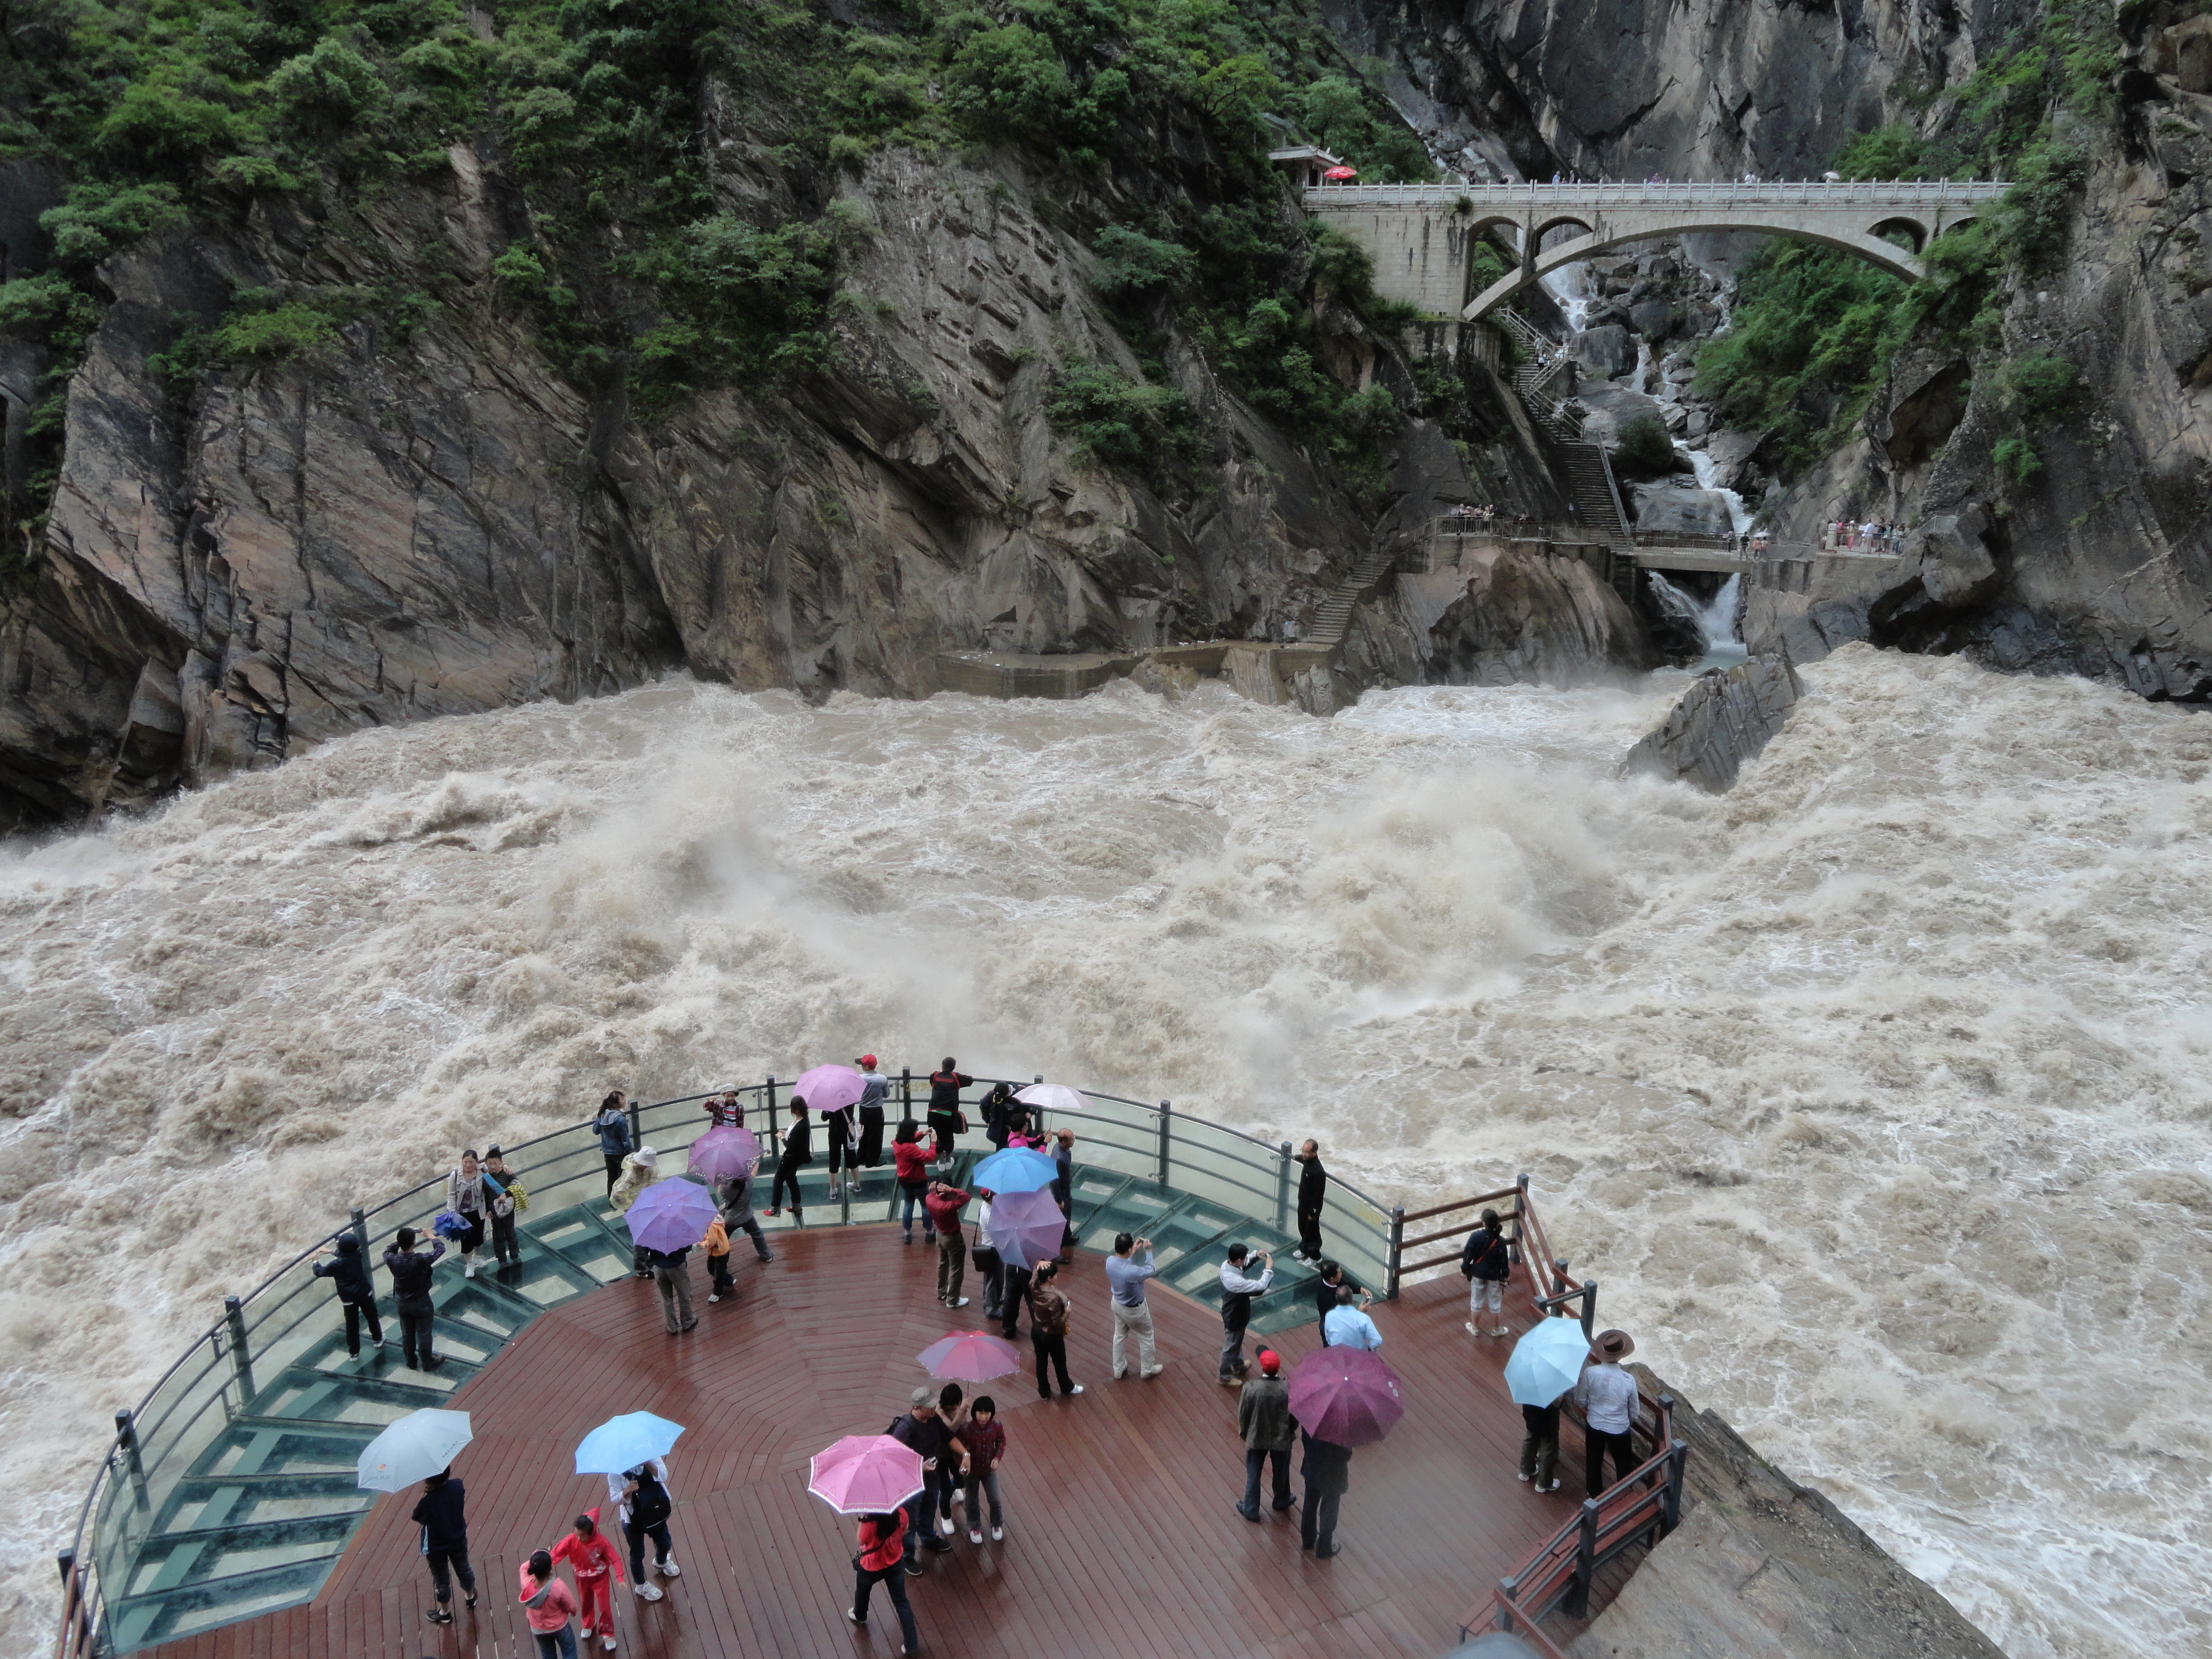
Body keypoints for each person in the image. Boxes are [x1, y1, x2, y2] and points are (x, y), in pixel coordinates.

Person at [1576, 1328, 1643, 1496]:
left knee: (1593, 1461)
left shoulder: (1591, 1373)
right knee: (1623, 1464)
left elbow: (1580, 1400)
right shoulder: (1629, 1380)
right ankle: (1623, 1495)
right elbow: (1635, 1411)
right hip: (1619, 1428)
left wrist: (1589, 1408)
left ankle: (1594, 1495)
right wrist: (1627, 1421)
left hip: (1595, 1424)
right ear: (1621, 1355)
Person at [887, 1387, 950, 1566]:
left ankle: (928, 1538)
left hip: (932, 1479)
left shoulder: (933, 1418)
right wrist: (919, 1467)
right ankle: (907, 1557)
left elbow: (947, 1435)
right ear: (917, 1407)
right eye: (929, 1406)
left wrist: (966, 1455)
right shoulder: (905, 1428)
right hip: (912, 1485)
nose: (934, 1409)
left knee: (929, 1511)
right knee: (910, 1522)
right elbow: (894, 1457)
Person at [1235, 1349, 1297, 1521]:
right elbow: (1294, 1416)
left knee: (1254, 1474)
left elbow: (1243, 1414)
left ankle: (1251, 1508)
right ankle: (1281, 1499)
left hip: (1256, 1437)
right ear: (1278, 1368)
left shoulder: (1251, 1388)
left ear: (1262, 1367)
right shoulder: (1287, 1389)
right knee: (1281, 1471)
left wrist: (1244, 1434)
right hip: (1281, 1437)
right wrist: (1291, 1431)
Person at [552, 1510, 624, 1652]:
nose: (578, 1539)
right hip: (581, 1577)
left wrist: (619, 1577)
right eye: (576, 1534)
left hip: (600, 1578)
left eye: (582, 1536)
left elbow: (615, 1558)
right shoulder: (571, 1540)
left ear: (590, 1533)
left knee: (604, 1607)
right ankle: (588, 1623)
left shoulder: (601, 1542)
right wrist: (543, 1566)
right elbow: (556, 1554)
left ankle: (608, 1634)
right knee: (585, 1602)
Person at [849, 1510, 920, 1654]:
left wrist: (862, 1519)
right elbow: (905, 1529)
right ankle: (911, 1644)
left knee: (862, 1590)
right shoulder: (901, 1514)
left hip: (872, 1566)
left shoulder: (870, 1522)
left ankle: (860, 1614)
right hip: (895, 1562)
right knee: (901, 1603)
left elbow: (861, 1540)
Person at [608, 1456, 679, 1596]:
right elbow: (615, 1498)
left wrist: (648, 1464)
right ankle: (641, 1585)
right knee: (638, 1554)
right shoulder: (614, 1473)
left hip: (655, 1511)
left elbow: (663, 1475)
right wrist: (627, 1490)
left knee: (665, 1543)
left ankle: (661, 1561)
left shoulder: (651, 1456)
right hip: (633, 1519)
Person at [412, 1466, 475, 1623]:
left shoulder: (428, 1502)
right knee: (463, 1567)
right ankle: (470, 1596)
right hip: (458, 1537)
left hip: (436, 1546)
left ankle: (445, 1612)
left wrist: (428, 1494)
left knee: (441, 1578)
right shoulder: (457, 1486)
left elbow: (418, 1516)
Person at [383, 1225, 444, 1370]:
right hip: (421, 1300)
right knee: (424, 1333)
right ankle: (427, 1361)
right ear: (414, 1243)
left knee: (407, 1333)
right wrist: (430, 1236)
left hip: (402, 1301)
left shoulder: (392, 1259)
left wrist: (402, 1239)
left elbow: (387, 1250)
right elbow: (440, 1249)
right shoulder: (421, 1259)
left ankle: (411, 1361)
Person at [310, 1233, 382, 1356]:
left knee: (352, 1325)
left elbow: (319, 1272)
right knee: (372, 1317)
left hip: (349, 1299)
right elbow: (347, 1255)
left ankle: (354, 1352)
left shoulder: (335, 1265)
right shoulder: (358, 1255)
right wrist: (332, 1251)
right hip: (365, 1292)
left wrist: (315, 1261)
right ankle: (378, 1339)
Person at [1105, 1232, 1162, 1379]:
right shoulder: (1132, 1272)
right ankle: (1147, 1370)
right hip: (1135, 1310)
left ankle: (1118, 1369)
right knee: (1146, 1336)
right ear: (1128, 1249)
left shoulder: (1110, 1261)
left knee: (1119, 1335)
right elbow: (1150, 1270)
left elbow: (1123, 1264)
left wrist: (1134, 1252)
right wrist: (1148, 1251)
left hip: (1117, 1304)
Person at [1218, 1243, 1273, 1384]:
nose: (1245, 1260)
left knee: (1237, 1341)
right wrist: (1267, 1269)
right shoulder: (1235, 1281)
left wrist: (1255, 1256)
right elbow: (1260, 1287)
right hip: (1235, 1317)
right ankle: (1224, 1376)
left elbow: (1242, 1265)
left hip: (1234, 1313)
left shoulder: (1227, 1265)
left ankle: (1238, 1364)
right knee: (1231, 1346)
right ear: (1238, 1260)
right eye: (1244, 1258)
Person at [1025, 1261, 1082, 1399]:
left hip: (1037, 1329)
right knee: (1059, 1362)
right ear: (1050, 1278)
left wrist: (1039, 1263)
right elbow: (1057, 1322)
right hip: (1051, 1335)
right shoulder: (1054, 1298)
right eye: (1055, 1275)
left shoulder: (1033, 1286)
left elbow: (1034, 1274)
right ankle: (1066, 1386)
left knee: (1041, 1362)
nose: (1057, 1277)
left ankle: (1044, 1391)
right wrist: (1067, 1314)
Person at [955, 1395, 1007, 1543]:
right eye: (980, 1413)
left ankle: (997, 1524)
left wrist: (997, 1458)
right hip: (971, 1472)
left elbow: (1001, 1441)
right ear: (974, 1413)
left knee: (995, 1499)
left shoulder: (996, 1426)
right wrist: (962, 1465)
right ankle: (974, 1526)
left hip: (989, 1471)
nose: (983, 1417)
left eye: (987, 1413)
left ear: (992, 1413)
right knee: (972, 1499)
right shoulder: (966, 1429)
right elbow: (958, 1450)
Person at [517, 1548, 580, 1659]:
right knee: (569, 1650)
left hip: (538, 1629)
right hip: (560, 1627)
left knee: (548, 1654)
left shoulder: (527, 1585)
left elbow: (523, 1568)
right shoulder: (558, 1586)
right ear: (550, 1568)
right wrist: (573, 1612)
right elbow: (571, 1605)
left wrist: (536, 1557)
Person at [608, 1145, 661, 1279]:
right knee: (641, 1237)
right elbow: (619, 1194)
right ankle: (642, 1268)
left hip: (646, 1204)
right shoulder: (630, 1174)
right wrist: (632, 1206)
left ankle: (646, 1262)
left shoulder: (649, 1169)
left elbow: (655, 1183)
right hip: (635, 1206)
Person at [1299, 1428, 1352, 1558]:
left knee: (1310, 1504)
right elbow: (1345, 1455)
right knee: (1330, 1509)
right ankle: (1324, 1547)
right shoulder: (1340, 1429)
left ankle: (1308, 1540)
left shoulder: (1311, 1418)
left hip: (1312, 1468)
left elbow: (1305, 1441)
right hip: (1333, 1475)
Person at [1461, 1207, 1512, 1338]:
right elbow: (1504, 1262)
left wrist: (1465, 1269)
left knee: (1476, 1301)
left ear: (1483, 1222)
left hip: (1478, 1274)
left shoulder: (1476, 1237)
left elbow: (1468, 1255)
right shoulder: (1500, 1241)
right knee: (1495, 1304)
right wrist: (1504, 1275)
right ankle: (1497, 1329)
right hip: (1494, 1276)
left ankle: (1475, 1328)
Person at [925, 1179, 971, 1307]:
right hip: (953, 1238)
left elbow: (932, 1193)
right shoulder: (946, 1206)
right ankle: (953, 1300)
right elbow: (967, 1196)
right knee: (956, 1269)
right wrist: (951, 1190)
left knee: (943, 1263)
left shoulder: (929, 1198)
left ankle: (941, 1291)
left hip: (940, 1235)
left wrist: (936, 1189)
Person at [717, 1163, 774, 1269]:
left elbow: (719, 1191)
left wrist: (722, 1179)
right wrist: (756, 1160)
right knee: (757, 1234)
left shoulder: (726, 1190)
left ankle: (720, 1262)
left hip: (731, 1219)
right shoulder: (748, 1183)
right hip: (747, 1217)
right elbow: (754, 1170)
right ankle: (766, 1255)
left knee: (723, 1240)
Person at [446, 1149, 489, 1279]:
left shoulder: (482, 1171)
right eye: (466, 1162)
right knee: (465, 1241)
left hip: (478, 1210)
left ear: (477, 1162)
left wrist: (505, 1166)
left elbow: (495, 1169)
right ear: (462, 1162)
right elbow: (451, 1195)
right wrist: (452, 1214)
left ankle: (477, 1256)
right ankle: (469, 1264)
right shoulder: (455, 1175)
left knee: (478, 1237)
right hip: (462, 1214)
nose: (468, 1165)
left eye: (471, 1162)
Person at [765, 1099, 809, 1221]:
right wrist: (787, 1133)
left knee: (778, 1180)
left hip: (790, 1158)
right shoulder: (802, 1120)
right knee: (791, 1179)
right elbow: (795, 1137)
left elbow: (790, 1147)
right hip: (796, 1158)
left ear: (794, 1109)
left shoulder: (802, 1125)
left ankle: (775, 1208)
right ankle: (797, 1205)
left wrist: (782, 1137)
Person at [645, 1236, 696, 1334]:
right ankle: (688, 1321)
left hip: (658, 1268)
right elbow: (687, 1248)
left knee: (667, 1298)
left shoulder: (651, 1230)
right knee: (684, 1295)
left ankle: (671, 1326)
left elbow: (644, 1248)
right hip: (676, 1267)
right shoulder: (677, 1230)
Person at [926, 1058, 971, 1166]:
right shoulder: (957, 1078)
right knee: (948, 1136)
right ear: (954, 1068)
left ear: (942, 1066)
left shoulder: (935, 1075)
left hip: (933, 1112)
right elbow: (970, 1080)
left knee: (936, 1135)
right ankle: (948, 1159)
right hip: (948, 1113)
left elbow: (932, 1082)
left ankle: (940, 1160)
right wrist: (955, 1074)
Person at [1520, 1387, 1564, 1494]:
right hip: (1546, 1414)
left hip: (1529, 1408)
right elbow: (1557, 1402)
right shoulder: (1552, 1379)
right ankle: (1544, 1483)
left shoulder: (1528, 1373)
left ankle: (1526, 1470)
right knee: (1548, 1446)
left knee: (1531, 1436)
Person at [484, 1146, 521, 1269]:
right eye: (490, 1164)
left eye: (495, 1163)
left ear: (501, 1162)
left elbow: (517, 1185)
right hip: (494, 1212)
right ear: (486, 1164)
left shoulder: (507, 1173)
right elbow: (484, 1195)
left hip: (508, 1210)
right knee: (498, 1235)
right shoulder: (485, 1178)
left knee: (510, 1232)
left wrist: (507, 1194)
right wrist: (487, 1210)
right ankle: (502, 1259)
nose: (493, 1166)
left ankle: (515, 1255)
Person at [893, 1121, 930, 1243]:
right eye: (916, 1130)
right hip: (918, 1181)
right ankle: (929, 1232)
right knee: (925, 1206)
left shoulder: (897, 1142)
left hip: (904, 1180)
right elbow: (929, 1157)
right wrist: (933, 1142)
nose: (916, 1131)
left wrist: (922, 1134)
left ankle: (907, 1232)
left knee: (908, 1205)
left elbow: (910, 1139)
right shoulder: (911, 1148)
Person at [855, 1055, 890, 1181]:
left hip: (863, 1110)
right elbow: (886, 1095)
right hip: (876, 1111)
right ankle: (872, 1160)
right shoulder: (882, 1079)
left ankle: (861, 1157)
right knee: (876, 1135)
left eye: (862, 1064)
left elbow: (856, 1093)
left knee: (863, 1133)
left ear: (866, 1066)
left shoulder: (859, 1078)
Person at [971, 1189, 1005, 1322]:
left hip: (986, 1245)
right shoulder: (993, 1214)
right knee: (994, 1279)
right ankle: (991, 1308)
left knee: (989, 1276)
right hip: (994, 1248)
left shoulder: (983, 1206)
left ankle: (991, 1298)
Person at [1321, 1282, 1382, 1351]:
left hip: (1338, 1355)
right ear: (1352, 1299)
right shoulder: (1363, 1318)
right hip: (1358, 1356)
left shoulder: (1329, 1316)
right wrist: (1369, 1349)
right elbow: (1377, 1340)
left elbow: (1329, 1339)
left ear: (1336, 1298)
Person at [1293, 1140, 1327, 1261]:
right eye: (1303, 1151)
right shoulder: (1307, 1162)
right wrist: (1298, 1158)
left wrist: (1313, 1213)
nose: (1304, 1154)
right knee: (1302, 1228)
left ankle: (1315, 1257)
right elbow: (1304, 1160)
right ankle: (1304, 1249)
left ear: (1315, 1152)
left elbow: (1318, 1195)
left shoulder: (1318, 1172)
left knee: (1312, 1232)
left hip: (1311, 1209)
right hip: (1303, 1203)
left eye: (1307, 1152)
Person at [594, 1093, 633, 1196]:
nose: (625, 1101)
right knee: (624, 1178)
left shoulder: (602, 1114)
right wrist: (632, 1153)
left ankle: (613, 1203)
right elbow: (625, 1139)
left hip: (607, 1152)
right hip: (620, 1153)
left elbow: (595, 1131)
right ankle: (623, 1201)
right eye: (622, 1100)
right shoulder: (620, 1118)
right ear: (616, 1104)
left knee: (611, 1177)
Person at [1312, 1260, 1360, 1339]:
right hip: (1332, 1328)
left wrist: (1360, 1289)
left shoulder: (1334, 1281)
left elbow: (1346, 1284)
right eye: (1339, 1273)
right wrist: (1360, 1312)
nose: (1341, 1274)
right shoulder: (1326, 1298)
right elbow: (1342, 1317)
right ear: (1332, 1279)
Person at [701, 1210, 735, 1303]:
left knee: (718, 1273)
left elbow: (712, 1240)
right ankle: (729, 1280)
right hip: (721, 1248)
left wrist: (703, 1244)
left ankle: (717, 1293)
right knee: (714, 1268)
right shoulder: (715, 1217)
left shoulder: (710, 1224)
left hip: (719, 1251)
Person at [1052, 1128, 1076, 1259]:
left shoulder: (1065, 1150)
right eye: (1072, 1139)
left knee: (1067, 1215)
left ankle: (1067, 1237)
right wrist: (1058, 1200)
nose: (1073, 1141)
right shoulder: (1058, 1158)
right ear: (1064, 1142)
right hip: (1061, 1192)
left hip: (1066, 1189)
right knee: (1060, 1221)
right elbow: (1054, 1181)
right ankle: (1055, 1251)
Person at [978, 1081, 1016, 1150]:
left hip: (1017, 1128)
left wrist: (1030, 1113)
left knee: (1017, 1147)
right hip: (1000, 1127)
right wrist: (988, 1120)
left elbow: (1030, 1101)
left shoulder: (1018, 1093)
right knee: (1001, 1149)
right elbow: (983, 1106)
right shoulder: (991, 1095)